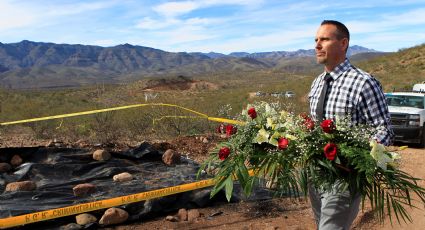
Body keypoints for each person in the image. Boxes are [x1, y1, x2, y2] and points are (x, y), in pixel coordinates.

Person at [308, 20, 394, 229]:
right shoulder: (318, 82)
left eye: (324, 39)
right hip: (316, 173)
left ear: (343, 43)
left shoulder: (364, 82)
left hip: (344, 176)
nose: (317, 45)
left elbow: (385, 130)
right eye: (316, 40)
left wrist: (357, 155)